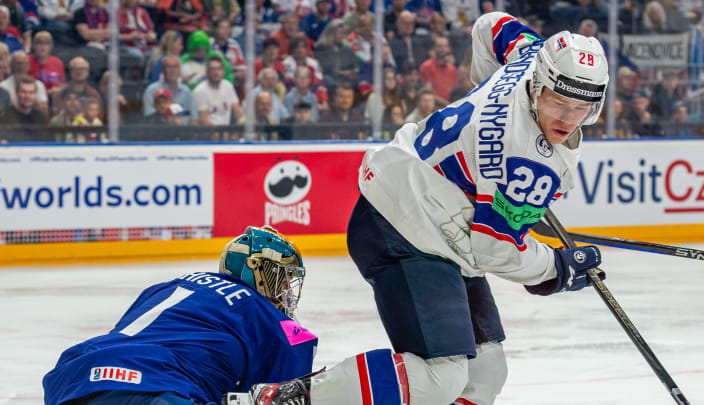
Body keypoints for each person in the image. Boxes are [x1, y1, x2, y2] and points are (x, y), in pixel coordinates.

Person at [250, 12, 607, 405]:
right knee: (440, 379)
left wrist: (490, 88)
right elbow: (497, 249)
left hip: (433, 213)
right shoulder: (526, 162)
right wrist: (558, 268)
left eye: (582, 108)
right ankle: (284, 399)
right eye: (559, 102)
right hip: (405, 225)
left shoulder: (530, 54)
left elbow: (491, 24)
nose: (568, 119)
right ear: (539, 84)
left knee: (485, 374)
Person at [43, 225, 316, 405]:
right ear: (257, 270)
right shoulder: (266, 315)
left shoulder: (164, 287)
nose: (284, 289)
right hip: (158, 390)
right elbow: (286, 393)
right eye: (281, 278)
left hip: (73, 378)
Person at [193, 54, 242, 126]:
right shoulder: (200, 91)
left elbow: (237, 111)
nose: (216, 72)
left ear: (223, 71)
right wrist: (222, 134)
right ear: (207, 71)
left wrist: (244, 122)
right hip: (208, 134)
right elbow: (204, 121)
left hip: (227, 132)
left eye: (219, 68)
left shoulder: (228, 86)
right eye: (212, 69)